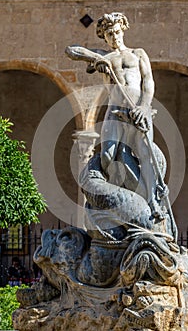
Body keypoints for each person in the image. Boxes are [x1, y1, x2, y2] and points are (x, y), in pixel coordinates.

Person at [66, 12, 167, 217]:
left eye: (117, 32)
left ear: (123, 30)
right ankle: (117, 202)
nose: (114, 37)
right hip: (115, 111)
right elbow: (71, 50)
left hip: (138, 111)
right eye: (109, 34)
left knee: (145, 154)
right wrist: (95, 58)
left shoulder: (138, 54)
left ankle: (150, 203)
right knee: (107, 156)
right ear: (104, 36)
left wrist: (145, 107)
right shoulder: (104, 57)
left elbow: (148, 82)